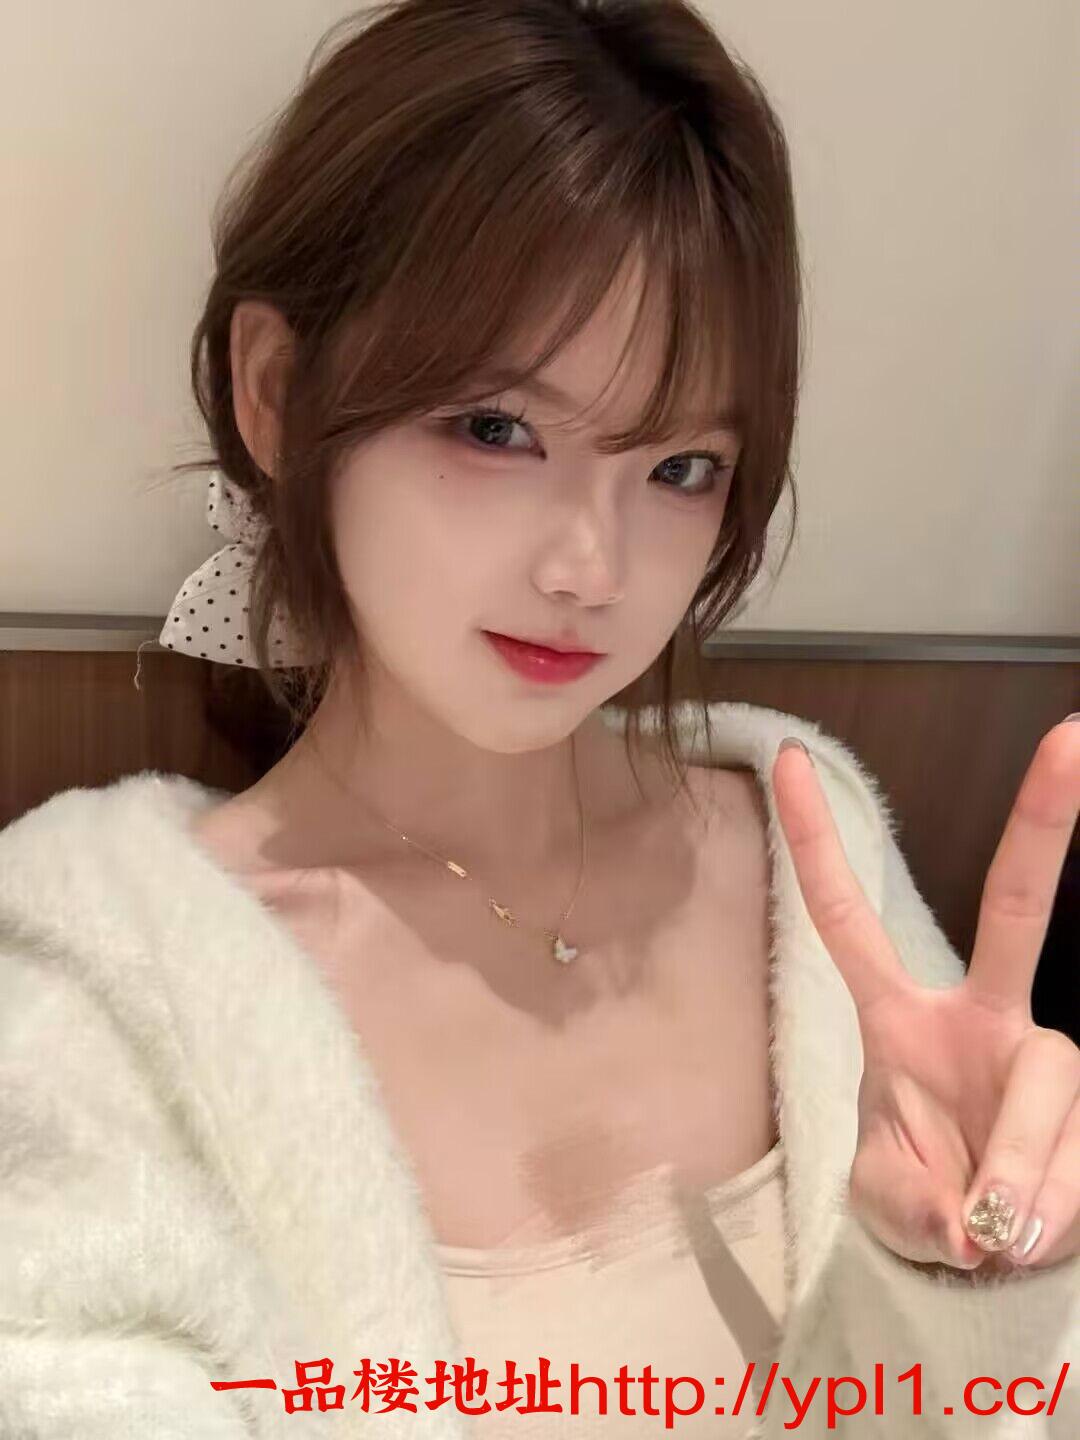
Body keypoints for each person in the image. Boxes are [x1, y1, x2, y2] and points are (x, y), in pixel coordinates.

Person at [1, 2, 1076, 1436]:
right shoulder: (104, 984)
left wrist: (963, 1288)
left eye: (680, 467)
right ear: (278, 393)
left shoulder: (808, 871)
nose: (592, 569)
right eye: (497, 429)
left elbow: (982, 1402)